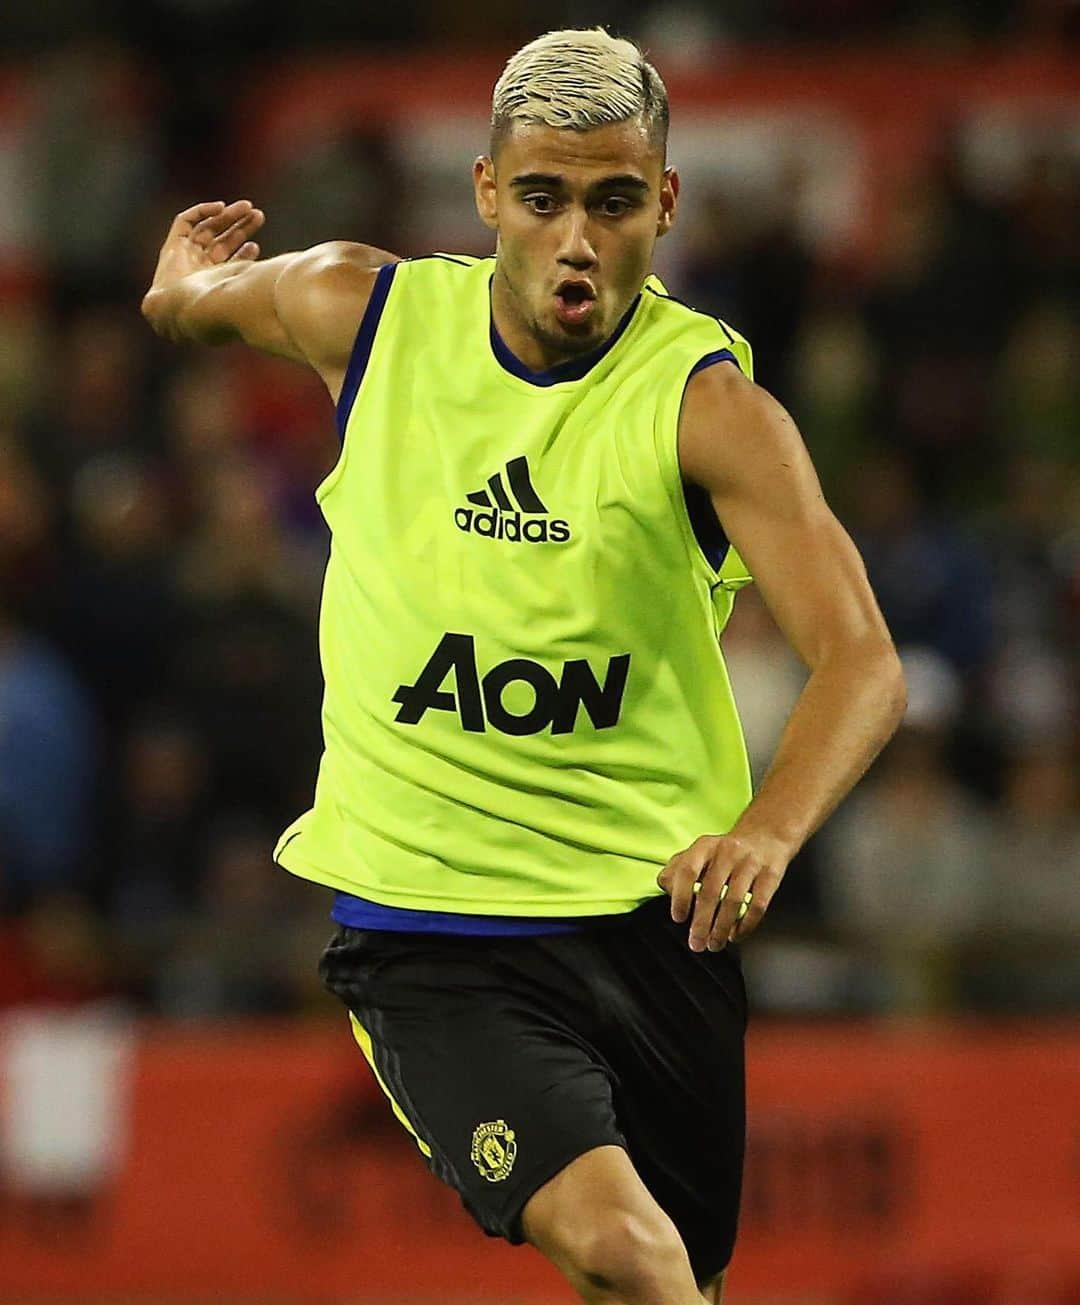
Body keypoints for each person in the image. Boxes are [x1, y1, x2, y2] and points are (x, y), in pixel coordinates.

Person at [142, 28, 905, 1305]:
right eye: (543, 198)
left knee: (676, 1284)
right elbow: (192, 310)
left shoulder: (708, 410)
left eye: (614, 203)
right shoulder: (366, 314)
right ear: (487, 192)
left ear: (664, 204)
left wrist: (769, 834)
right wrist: (175, 284)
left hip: (656, 924)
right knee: (629, 1255)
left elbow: (863, 662)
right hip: (435, 927)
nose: (576, 240)